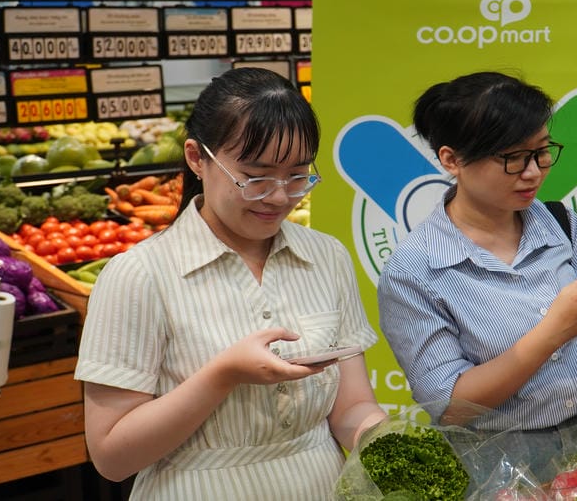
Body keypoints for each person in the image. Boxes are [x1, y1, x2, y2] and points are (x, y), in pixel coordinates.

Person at [75, 67, 385, 500]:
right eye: (255, 177)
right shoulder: (139, 275)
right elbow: (111, 456)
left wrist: (391, 450)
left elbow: (352, 408)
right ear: (197, 158)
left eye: (298, 176)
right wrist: (222, 375)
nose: (279, 197)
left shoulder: (327, 256)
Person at [376, 70, 577, 482]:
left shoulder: (559, 223)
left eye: (542, 152)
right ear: (451, 160)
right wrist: (554, 330)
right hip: (492, 467)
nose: (533, 172)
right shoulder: (414, 268)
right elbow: (452, 406)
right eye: (512, 158)